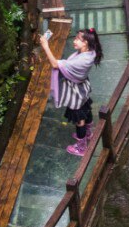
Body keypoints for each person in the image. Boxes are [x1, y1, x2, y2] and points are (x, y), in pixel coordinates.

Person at [39, 28, 103, 156]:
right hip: (82, 88)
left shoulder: (81, 60)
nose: (74, 41)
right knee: (86, 108)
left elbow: (55, 64)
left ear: (85, 43)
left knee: (79, 119)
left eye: (77, 39)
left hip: (75, 93)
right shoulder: (91, 52)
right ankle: (89, 133)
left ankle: (81, 147)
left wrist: (46, 46)